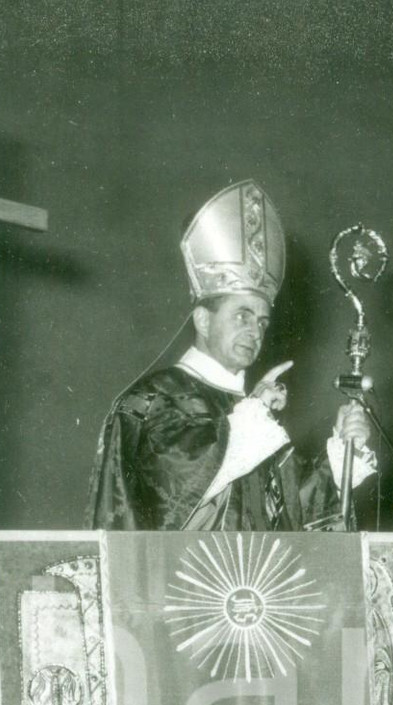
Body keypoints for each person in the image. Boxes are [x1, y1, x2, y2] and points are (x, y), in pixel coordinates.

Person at [86, 180, 376, 532]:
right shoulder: (155, 397)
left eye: (262, 322)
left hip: (254, 584)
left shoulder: (250, 414)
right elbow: (172, 497)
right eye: (241, 316)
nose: (255, 331)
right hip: (183, 584)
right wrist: (251, 416)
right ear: (203, 320)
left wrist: (343, 454)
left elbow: (293, 514)